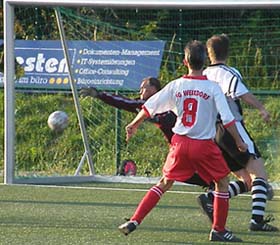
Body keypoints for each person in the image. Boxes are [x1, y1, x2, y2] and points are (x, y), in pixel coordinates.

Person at [118, 40, 247, 242]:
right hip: (203, 145)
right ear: (204, 61)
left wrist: (134, 124)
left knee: (164, 183)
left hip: (178, 144)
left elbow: (149, 107)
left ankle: (135, 220)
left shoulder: (176, 84)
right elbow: (228, 119)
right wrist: (239, 142)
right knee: (222, 183)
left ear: (184, 61)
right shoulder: (213, 88)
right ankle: (219, 230)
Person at [200, 33, 278, 232]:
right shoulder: (227, 73)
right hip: (231, 128)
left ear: (209, 53)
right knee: (260, 174)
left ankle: (210, 198)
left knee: (248, 180)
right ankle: (257, 221)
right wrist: (261, 108)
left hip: (213, 133)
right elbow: (239, 92)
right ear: (228, 52)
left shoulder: (202, 74)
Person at [80, 77, 209, 186]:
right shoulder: (145, 105)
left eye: (143, 87)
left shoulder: (169, 99)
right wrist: (99, 94)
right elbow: (123, 102)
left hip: (191, 141)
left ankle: (213, 185)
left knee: (174, 174)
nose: (140, 90)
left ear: (153, 89)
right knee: (178, 174)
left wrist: (158, 119)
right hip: (183, 145)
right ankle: (212, 185)